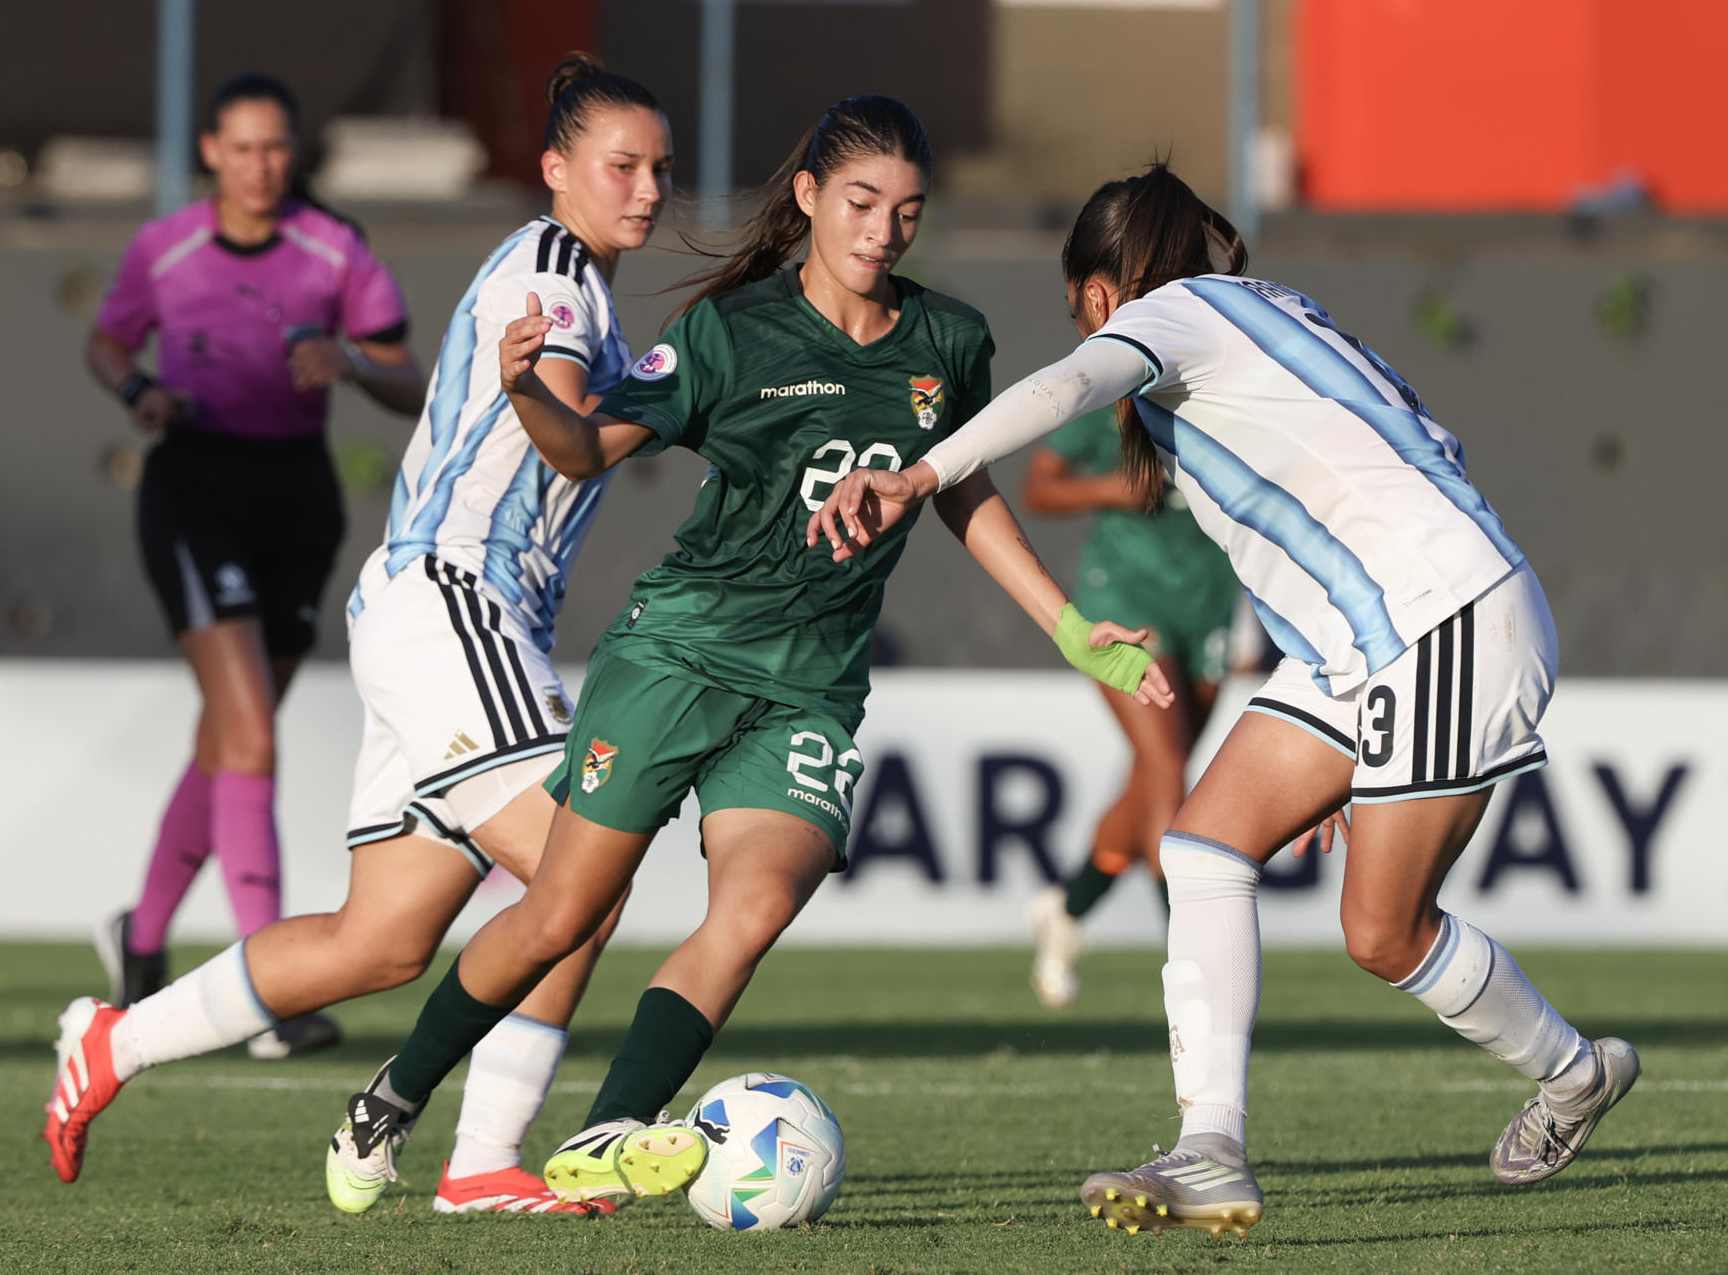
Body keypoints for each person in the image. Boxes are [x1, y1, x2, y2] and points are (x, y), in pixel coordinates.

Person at [322, 94, 1172, 1215]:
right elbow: (583, 449)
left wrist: (1068, 626)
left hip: (810, 686)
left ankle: (611, 1126)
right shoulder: (730, 331)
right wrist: (527, 387)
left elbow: (962, 491)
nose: (883, 231)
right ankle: (390, 1098)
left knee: (758, 904)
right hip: (678, 655)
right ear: (810, 196)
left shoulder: (949, 341)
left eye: (907, 210)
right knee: (561, 913)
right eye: (861, 202)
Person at [808, 163, 1638, 1238]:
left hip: (1440, 620)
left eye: (1084, 308)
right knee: (1202, 848)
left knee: (1382, 931)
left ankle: (1574, 1073)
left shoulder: (1174, 315)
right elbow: (1394, 465)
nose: (1092, 328)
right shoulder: (1269, 311)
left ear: (1100, 292)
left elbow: (1064, 388)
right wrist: (1350, 714)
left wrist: (920, 476)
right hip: (1369, 643)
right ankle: (1209, 1148)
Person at [46, 55, 675, 1217]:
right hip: (453, 602)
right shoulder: (553, 274)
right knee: (584, 871)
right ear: (555, 169)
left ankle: (111, 1042)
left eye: (659, 169)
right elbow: (563, 415)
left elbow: (490, 397)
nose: (647, 189)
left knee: (378, 942)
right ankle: (482, 1155)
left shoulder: (577, 284)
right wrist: (689, 389)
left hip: (430, 614)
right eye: (622, 165)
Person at [85, 72, 426, 1059]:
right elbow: (106, 342)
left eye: (276, 147)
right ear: (210, 152)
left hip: (297, 499)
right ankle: (268, 989)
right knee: (248, 735)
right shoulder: (166, 247)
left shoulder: (333, 248)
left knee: (231, 740)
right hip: (196, 490)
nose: (260, 165)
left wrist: (351, 363)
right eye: (242, 147)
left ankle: (140, 939)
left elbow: (410, 376)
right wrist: (139, 392)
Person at [1020, 407, 1237, 1009]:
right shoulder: (1119, 400)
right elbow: (1037, 487)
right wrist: (1111, 489)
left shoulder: (1221, 400)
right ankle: (1190, 956)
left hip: (1208, 601)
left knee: (1151, 780)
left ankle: (1067, 910)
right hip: (1126, 599)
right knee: (1168, 765)